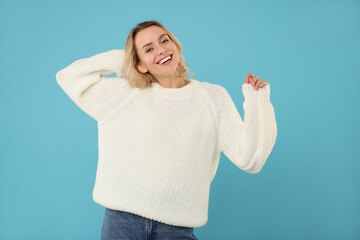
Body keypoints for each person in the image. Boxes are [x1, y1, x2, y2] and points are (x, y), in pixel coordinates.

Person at [56, 20, 277, 240]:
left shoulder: (213, 98)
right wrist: (123, 60)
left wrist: (258, 103)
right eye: (149, 49)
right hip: (122, 224)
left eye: (164, 40)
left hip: (176, 230)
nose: (161, 49)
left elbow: (251, 159)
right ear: (140, 64)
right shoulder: (124, 94)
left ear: (176, 45)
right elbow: (68, 77)